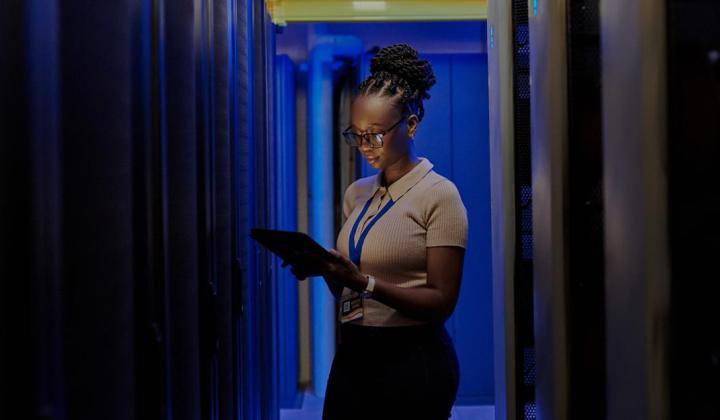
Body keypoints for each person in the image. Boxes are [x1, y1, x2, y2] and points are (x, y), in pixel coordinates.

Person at [290, 44, 468, 420]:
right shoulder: (357, 193)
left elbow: (441, 302)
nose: (366, 146)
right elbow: (350, 290)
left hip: (413, 359)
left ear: (412, 124)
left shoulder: (440, 195)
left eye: (376, 134)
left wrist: (364, 283)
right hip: (355, 355)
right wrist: (329, 271)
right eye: (356, 135)